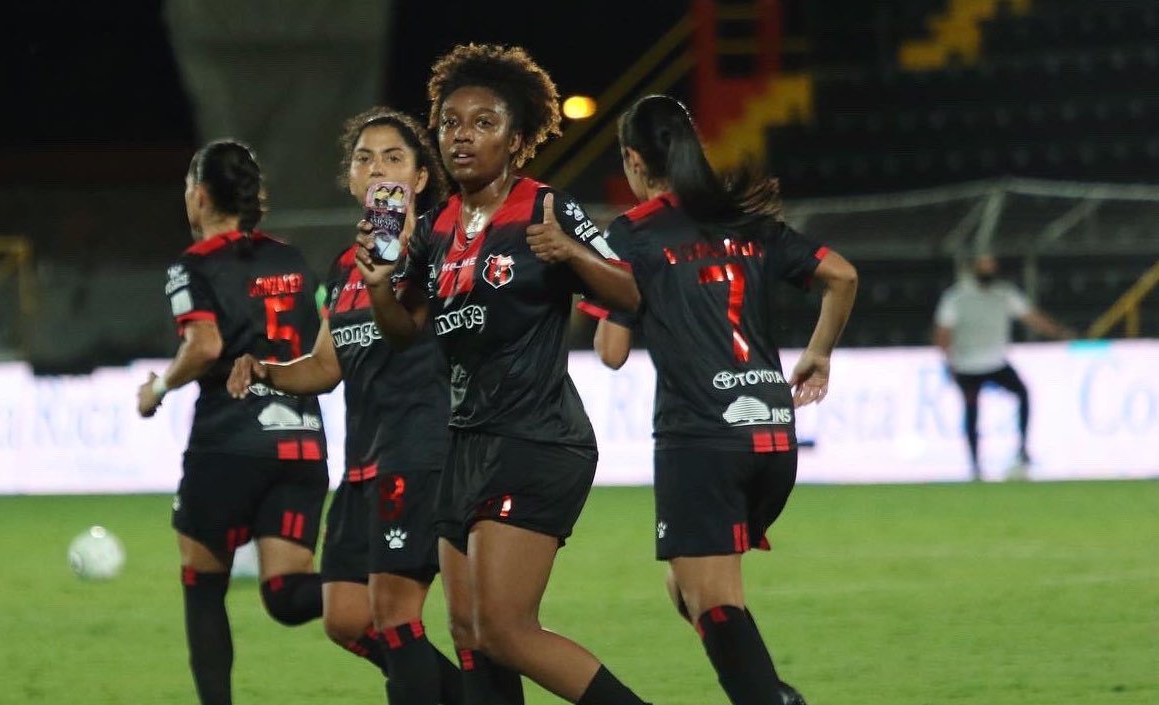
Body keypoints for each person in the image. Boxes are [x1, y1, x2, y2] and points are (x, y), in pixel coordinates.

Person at [357, 44, 651, 705]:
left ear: (517, 139)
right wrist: (380, 284)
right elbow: (404, 329)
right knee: (469, 633)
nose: (463, 135)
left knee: (507, 629)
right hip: (466, 441)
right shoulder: (432, 230)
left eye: (483, 122)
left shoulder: (544, 207)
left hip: (535, 435)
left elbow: (632, 294)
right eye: (451, 123)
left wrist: (571, 252)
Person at [585, 95, 858, 705]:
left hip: (701, 439)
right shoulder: (745, 219)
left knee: (712, 600)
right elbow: (842, 276)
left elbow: (610, 352)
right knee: (687, 589)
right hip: (772, 437)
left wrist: (605, 290)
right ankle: (770, 690)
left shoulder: (630, 234)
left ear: (632, 160)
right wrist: (818, 353)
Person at [226, 107, 462, 705]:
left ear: (419, 179)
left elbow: (416, 333)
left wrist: (392, 270)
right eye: (364, 159)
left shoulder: (438, 251)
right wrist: (266, 371)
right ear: (352, 181)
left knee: (394, 614)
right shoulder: (344, 267)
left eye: (393, 158)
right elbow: (326, 367)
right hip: (363, 469)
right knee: (346, 617)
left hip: (418, 453)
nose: (376, 168)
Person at [136, 139, 329, 705]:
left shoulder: (191, 266)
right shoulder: (292, 259)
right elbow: (328, 338)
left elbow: (204, 344)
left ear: (198, 197)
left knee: (202, 586)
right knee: (288, 595)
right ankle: (373, 593)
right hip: (301, 446)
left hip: (229, 445)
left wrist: (158, 388)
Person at [933, 254, 1071, 480]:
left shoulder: (1004, 293)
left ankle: (1022, 449)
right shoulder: (957, 297)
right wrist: (947, 360)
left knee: (1022, 394)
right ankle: (975, 465)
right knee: (972, 412)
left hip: (995, 362)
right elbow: (943, 331)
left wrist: (1058, 333)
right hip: (967, 364)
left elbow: (1031, 316)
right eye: (983, 265)